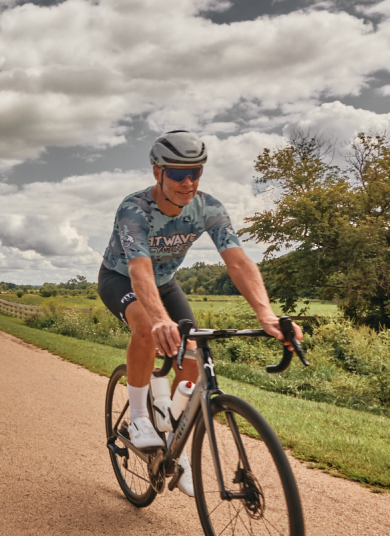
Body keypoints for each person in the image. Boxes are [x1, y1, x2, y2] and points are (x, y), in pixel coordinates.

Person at [98, 130, 302, 496]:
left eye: (196, 172)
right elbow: (140, 270)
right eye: (178, 173)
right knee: (145, 326)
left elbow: (238, 262)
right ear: (158, 171)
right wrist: (160, 319)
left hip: (166, 284)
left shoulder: (208, 208)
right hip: (121, 278)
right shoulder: (135, 209)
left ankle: (174, 441)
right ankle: (140, 419)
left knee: (191, 355)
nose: (188, 182)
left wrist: (266, 315)